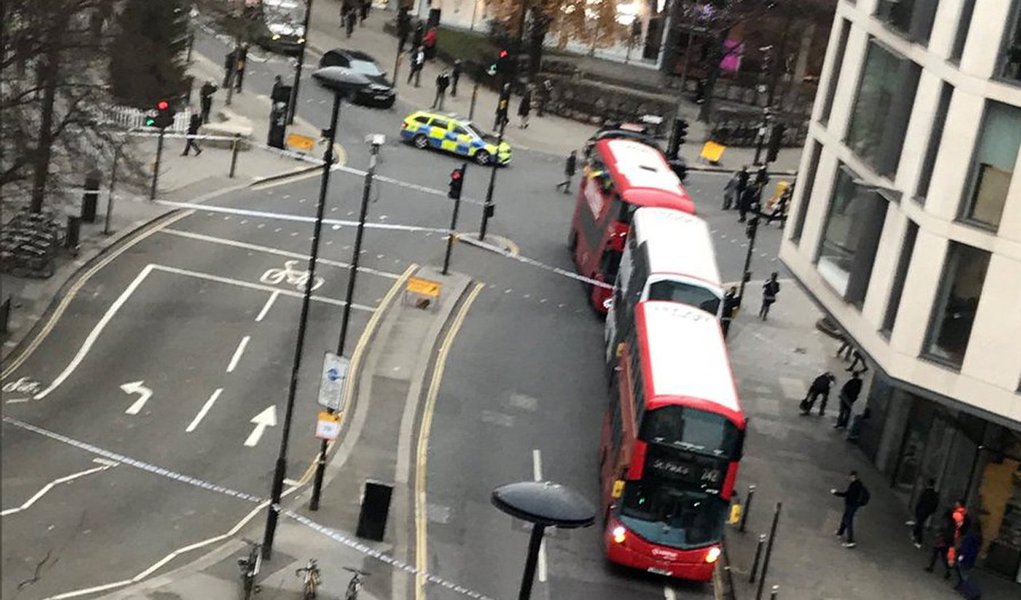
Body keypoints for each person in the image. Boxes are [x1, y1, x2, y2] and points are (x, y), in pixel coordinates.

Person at [831, 471, 867, 548]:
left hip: (851, 505)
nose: (849, 478)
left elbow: (847, 494)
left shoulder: (854, 486)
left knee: (848, 520)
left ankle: (850, 541)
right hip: (853, 505)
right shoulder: (858, 485)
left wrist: (836, 493)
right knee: (845, 517)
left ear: (853, 477)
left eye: (850, 477)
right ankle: (840, 532)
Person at [908, 479, 940, 548]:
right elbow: (935, 504)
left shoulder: (925, 492)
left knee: (920, 524)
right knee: (920, 523)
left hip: (922, 510)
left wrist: (917, 509)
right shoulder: (934, 494)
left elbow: (920, 501)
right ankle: (914, 534)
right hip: (927, 512)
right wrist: (931, 511)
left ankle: (919, 539)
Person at [925, 509, 956, 579]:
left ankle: (931, 567)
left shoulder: (947, 522)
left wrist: (933, 528)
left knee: (935, 554)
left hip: (942, 541)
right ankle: (948, 571)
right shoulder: (953, 523)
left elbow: (941, 528)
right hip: (947, 542)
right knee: (943, 557)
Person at [954, 527, 982, 595]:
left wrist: (959, 558)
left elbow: (964, 549)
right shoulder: (978, 539)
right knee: (964, 574)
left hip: (965, 558)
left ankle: (973, 592)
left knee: (964, 575)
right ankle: (962, 587)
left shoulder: (969, 538)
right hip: (970, 559)